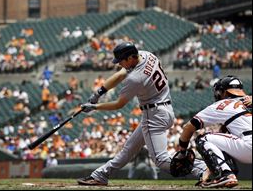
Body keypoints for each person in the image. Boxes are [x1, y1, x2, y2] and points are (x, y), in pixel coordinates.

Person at [77, 42, 207, 186]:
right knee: (129, 149)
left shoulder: (136, 78)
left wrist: (95, 106)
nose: (120, 64)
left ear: (130, 58)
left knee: (161, 160)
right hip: (163, 109)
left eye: (121, 60)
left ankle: (204, 169)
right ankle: (100, 175)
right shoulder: (147, 55)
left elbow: (119, 104)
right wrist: (98, 93)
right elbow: (120, 74)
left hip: (154, 115)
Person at [177, 75, 252, 188]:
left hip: (249, 146)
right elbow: (219, 150)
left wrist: (182, 153)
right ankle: (226, 172)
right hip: (246, 142)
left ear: (225, 92)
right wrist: (207, 173)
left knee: (203, 139)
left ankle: (226, 174)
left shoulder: (222, 104)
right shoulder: (249, 101)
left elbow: (188, 127)